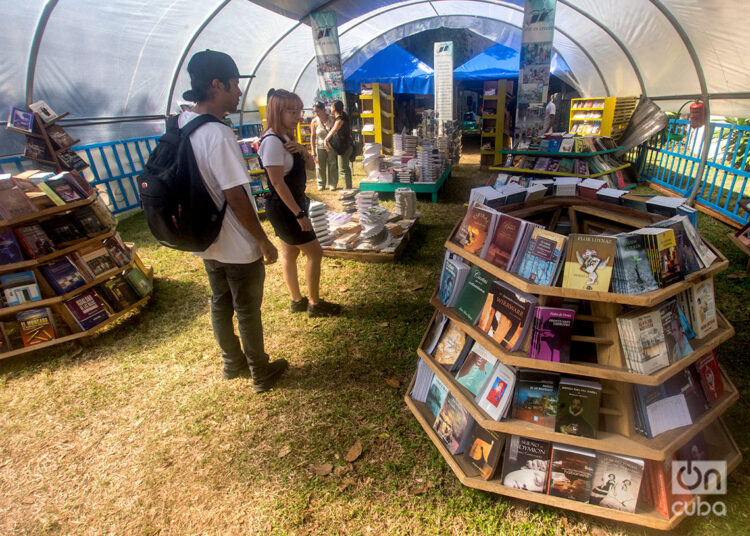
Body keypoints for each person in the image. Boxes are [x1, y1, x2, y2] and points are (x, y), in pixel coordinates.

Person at [179, 49, 287, 392]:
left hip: (205, 238)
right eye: (234, 85)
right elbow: (236, 197)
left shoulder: (182, 124)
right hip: (236, 245)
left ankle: (232, 363)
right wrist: (262, 240)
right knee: (246, 308)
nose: (238, 92)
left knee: (220, 301)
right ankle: (260, 370)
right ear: (216, 84)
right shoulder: (218, 135)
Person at [259, 89, 342, 317]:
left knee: (290, 254)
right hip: (286, 208)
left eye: (299, 110)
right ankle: (314, 304)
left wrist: (304, 152)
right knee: (314, 253)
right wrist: (299, 214)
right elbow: (277, 183)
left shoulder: (287, 138)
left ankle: (296, 301)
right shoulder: (272, 142)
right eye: (292, 111)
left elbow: (311, 169)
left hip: (293, 204)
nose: (298, 116)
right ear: (277, 112)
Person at [324, 100, 353, 190]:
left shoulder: (340, 119)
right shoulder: (342, 117)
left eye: (332, 107)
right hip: (344, 146)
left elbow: (334, 129)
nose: (330, 108)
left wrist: (326, 139)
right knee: (345, 168)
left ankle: (347, 189)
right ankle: (348, 188)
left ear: (334, 108)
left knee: (343, 169)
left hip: (344, 147)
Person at [309, 102, 338, 191]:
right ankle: (321, 183)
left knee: (332, 164)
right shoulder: (314, 121)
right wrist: (313, 150)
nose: (316, 113)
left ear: (323, 109)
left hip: (331, 146)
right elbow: (313, 136)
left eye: (318, 111)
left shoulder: (332, 119)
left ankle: (332, 183)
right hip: (320, 146)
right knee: (320, 166)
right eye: (315, 112)